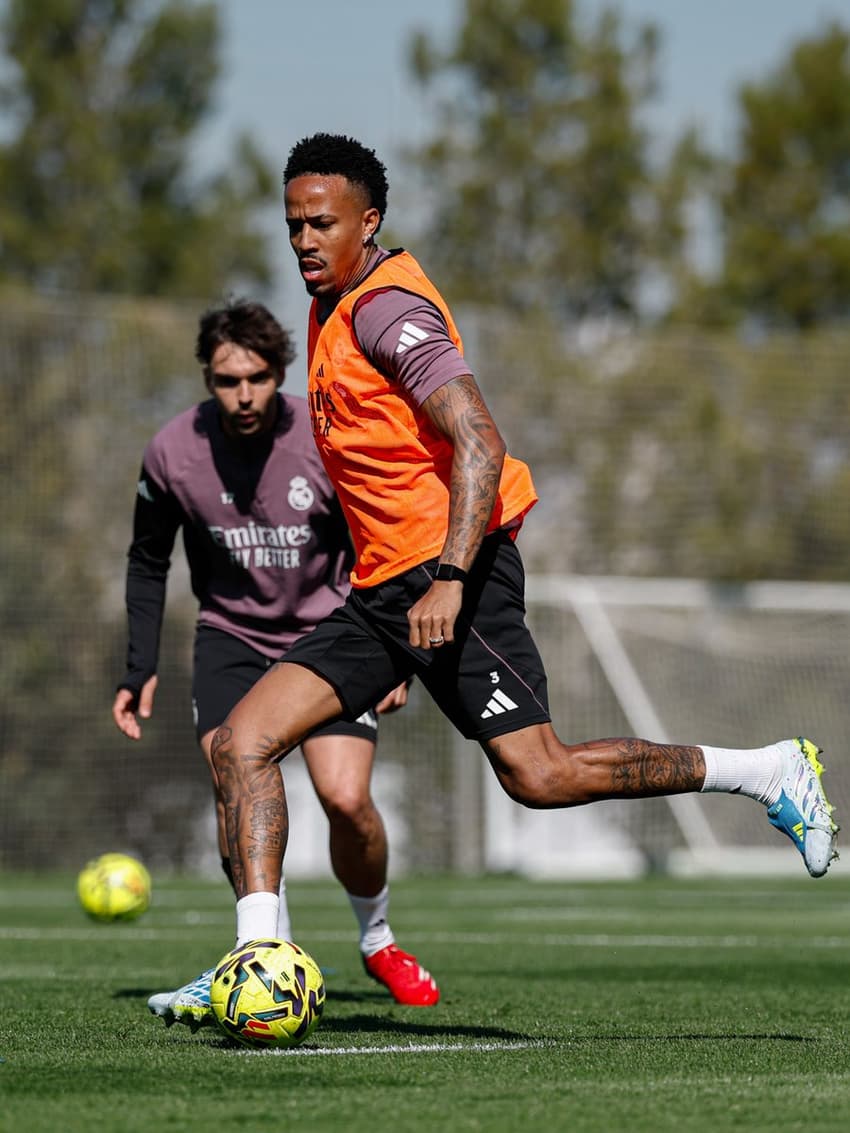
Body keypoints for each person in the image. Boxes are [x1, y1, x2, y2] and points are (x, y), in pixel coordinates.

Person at [178, 132, 838, 1024]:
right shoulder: (331, 304)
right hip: (383, 593)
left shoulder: (386, 309)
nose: (302, 239)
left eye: (321, 223)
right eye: (292, 223)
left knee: (541, 774)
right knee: (242, 741)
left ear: (368, 223)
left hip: (457, 574)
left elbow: (480, 439)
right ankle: (257, 959)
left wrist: (451, 578)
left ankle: (767, 772)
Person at [112, 299, 440, 1024]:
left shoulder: (323, 439)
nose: (244, 395)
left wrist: (397, 654)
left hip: (331, 633)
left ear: (280, 373)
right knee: (234, 773)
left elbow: (382, 542)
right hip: (229, 635)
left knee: (347, 800)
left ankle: (377, 937)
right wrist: (138, 667)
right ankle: (263, 954)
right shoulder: (172, 452)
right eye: (227, 380)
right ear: (208, 377)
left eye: (258, 378)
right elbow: (145, 562)